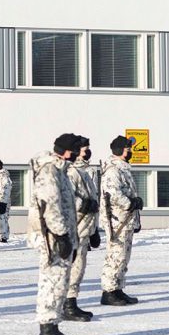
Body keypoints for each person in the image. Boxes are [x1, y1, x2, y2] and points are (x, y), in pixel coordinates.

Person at [29, 135, 81, 335]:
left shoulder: (60, 170)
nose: (79, 154)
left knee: (59, 281)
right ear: (68, 151)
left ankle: (53, 326)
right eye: (76, 150)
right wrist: (60, 235)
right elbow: (50, 205)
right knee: (52, 281)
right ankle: (47, 330)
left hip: (61, 235)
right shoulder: (50, 170)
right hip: (52, 238)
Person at [99, 135, 142, 306]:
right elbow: (114, 193)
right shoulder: (113, 171)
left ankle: (118, 288)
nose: (130, 151)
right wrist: (131, 202)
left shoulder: (123, 169)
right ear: (119, 150)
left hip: (127, 219)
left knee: (123, 256)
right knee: (115, 255)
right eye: (127, 148)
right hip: (117, 221)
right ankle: (108, 291)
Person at [65, 137, 100, 322]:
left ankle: (72, 301)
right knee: (73, 267)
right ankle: (67, 303)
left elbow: (92, 199)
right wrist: (83, 205)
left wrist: (94, 230)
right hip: (74, 229)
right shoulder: (71, 172)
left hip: (85, 228)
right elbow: (66, 197)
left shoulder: (85, 173)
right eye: (85, 149)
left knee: (80, 267)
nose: (87, 152)